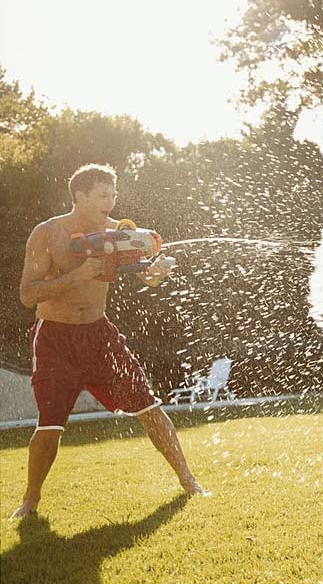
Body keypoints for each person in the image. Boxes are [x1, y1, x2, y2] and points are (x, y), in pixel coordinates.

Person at [11, 164, 206, 519]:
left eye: (113, 195)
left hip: (99, 334)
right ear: (80, 197)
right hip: (55, 338)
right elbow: (28, 293)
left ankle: (189, 481)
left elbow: (144, 274)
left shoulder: (119, 234)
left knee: (148, 406)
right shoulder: (48, 234)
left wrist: (156, 275)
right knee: (50, 425)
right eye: (103, 195)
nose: (110, 202)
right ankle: (30, 501)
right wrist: (76, 275)